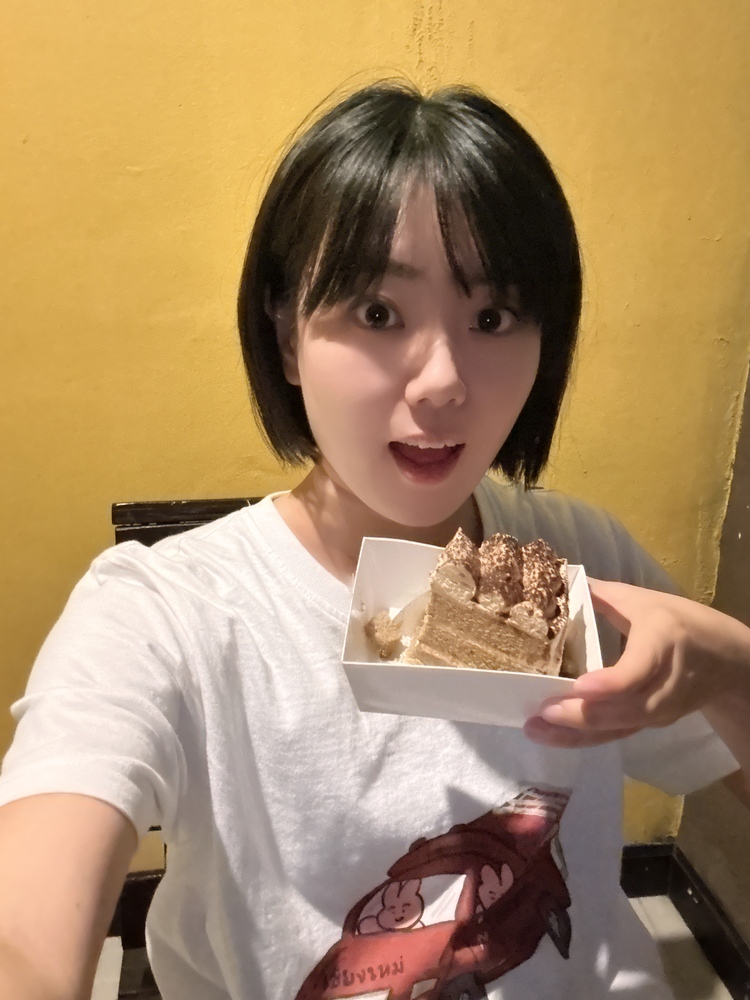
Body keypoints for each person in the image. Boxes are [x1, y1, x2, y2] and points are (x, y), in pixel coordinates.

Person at [0, 81, 747, 1000]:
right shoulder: (166, 614)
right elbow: (24, 933)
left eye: (493, 318)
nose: (441, 383)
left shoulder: (581, 560)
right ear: (286, 337)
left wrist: (731, 666)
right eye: (379, 314)